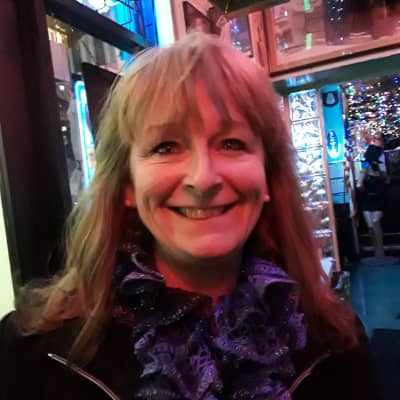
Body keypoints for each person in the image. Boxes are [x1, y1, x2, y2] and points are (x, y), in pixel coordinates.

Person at [1, 32, 377, 400]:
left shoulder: (336, 343)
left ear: (267, 177)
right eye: (166, 147)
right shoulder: (35, 357)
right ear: (127, 184)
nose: (204, 179)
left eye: (232, 143)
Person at [359, 144, 386, 257]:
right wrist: (363, 176)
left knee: (375, 221)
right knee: (370, 227)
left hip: (378, 199)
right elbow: (359, 185)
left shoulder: (380, 166)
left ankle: (380, 248)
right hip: (367, 199)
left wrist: (381, 173)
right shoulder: (365, 167)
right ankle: (376, 248)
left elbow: (386, 180)